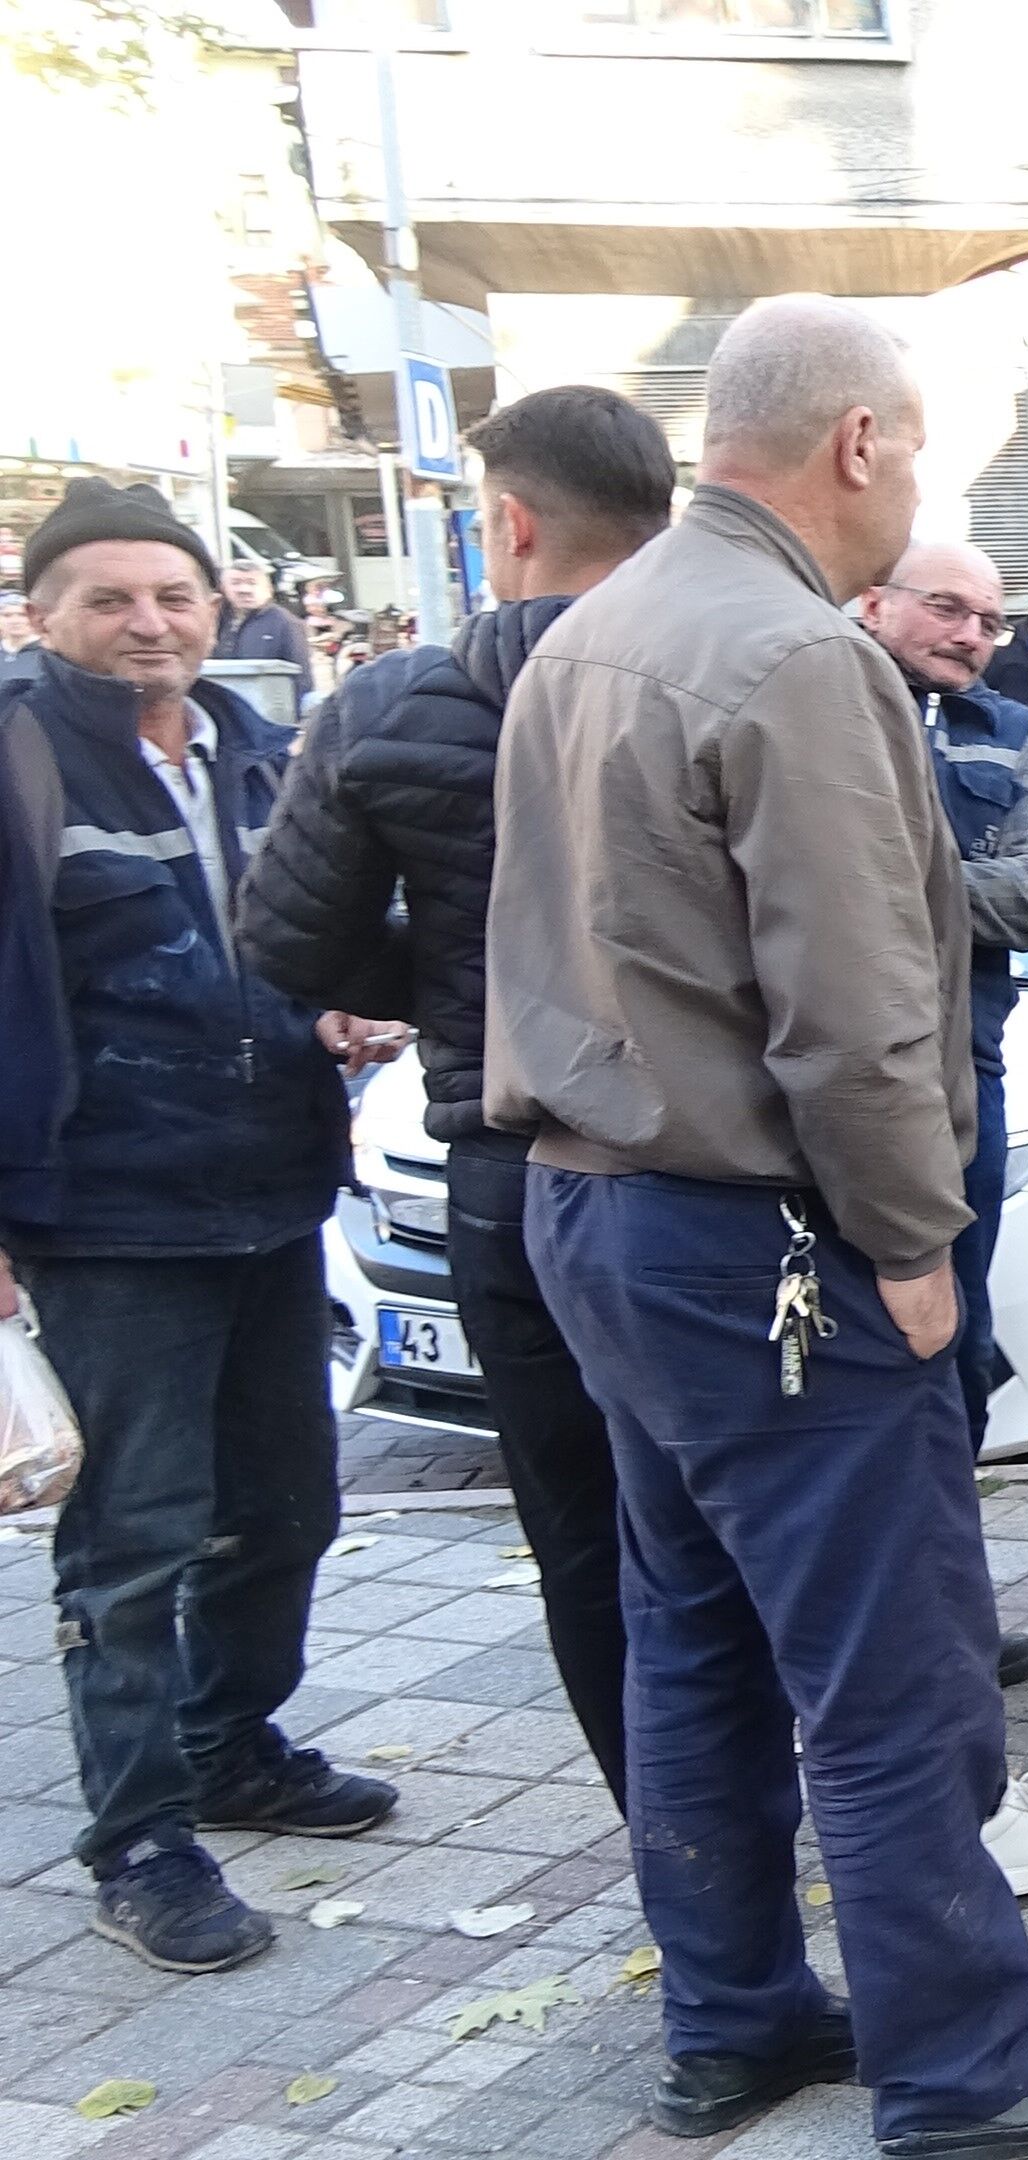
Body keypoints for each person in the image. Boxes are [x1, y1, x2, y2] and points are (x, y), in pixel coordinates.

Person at [488, 295, 1028, 2156]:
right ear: (860, 444)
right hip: (760, 1242)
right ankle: (963, 2074)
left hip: (596, 1212)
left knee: (691, 1636)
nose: (916, 484)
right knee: (891, 1675)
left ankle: (732, 2021)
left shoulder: (585, 631)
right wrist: (910, 1246)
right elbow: (864, 1007)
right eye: (919, 447)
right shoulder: (797, 656)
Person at [236, 385, 679, 1810]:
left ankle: (680, 1856)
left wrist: (444, 967)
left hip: (513, 1160)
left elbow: (284, 941)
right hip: (719, 1170)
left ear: (509, 524)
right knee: (755, 1515)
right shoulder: (747, 675)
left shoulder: (391, 704)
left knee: (581, 1531)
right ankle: (809, 1812)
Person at [0, 477, 407, 1974]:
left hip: (271, 1189)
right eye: (107, 598)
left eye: (171, 595)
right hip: (110, 1217)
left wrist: (331, 1012)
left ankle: (232, 1743)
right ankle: (139, 1839)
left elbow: (294, 938)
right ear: (41, 613)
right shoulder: (19, 756)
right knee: (132, 1540)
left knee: (290, 1507)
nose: (146, 624)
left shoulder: (253, 747)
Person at [859, 541, 1028, 1450]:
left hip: (962, 1072)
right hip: (830, 1066)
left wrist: (893, 883)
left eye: (989, 620)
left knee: (959, 1334)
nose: (972, 636)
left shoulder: (1010, 730)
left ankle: (949, 1519)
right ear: (875, 602)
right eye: (948, 608)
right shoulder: (821, 705)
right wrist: (958, 884)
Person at [214, 559, 313, 674]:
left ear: (268, 589)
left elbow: (301, 676)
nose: (244, 590)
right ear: (223, 588)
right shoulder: (213, 620)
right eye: (235, 583)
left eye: (252, 583)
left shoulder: (286, 624)